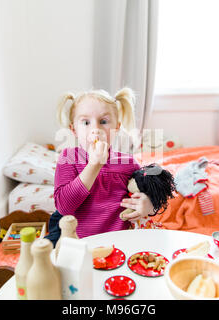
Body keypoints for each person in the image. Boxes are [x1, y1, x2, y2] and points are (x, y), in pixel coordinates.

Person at [45, 88, 155, 245]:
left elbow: (151, 194)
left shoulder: (129, 163)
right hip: (81, 245)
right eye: (86, 122)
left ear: (116, 127)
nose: (95, 129)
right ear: (73, 129)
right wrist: (94, 166)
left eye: (103, 122)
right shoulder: (68, 158)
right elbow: (64, 207)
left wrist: (149, 205)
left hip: (119, 244)